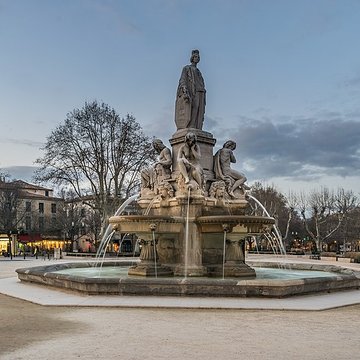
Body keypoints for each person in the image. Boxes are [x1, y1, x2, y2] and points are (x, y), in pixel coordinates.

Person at [175, 49, 206, 130]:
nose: (197, 58)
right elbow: (182, 79)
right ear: (192, 58)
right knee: (194, 108)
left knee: (200, 110)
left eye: (198, 57)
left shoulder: (199, 71)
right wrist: (184, 88)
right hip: (193, 91)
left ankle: (197, 126)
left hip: (201, 91)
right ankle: (191, 125)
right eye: (195, 57)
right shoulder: (187, 68)